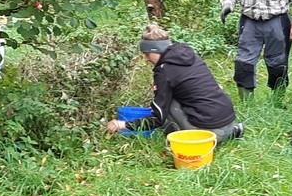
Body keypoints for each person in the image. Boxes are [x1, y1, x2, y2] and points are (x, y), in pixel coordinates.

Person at [104, 24, 243, 144]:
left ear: (155, 51)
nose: (145, 59)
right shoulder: (189, 55)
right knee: (174, 98)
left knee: (167, 105)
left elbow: (158, 118)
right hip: (228, 122)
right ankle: (230, 132)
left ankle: (185, 139)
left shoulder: (164, 71)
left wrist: (122, 124)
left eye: (146, 54)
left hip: (207, 135)